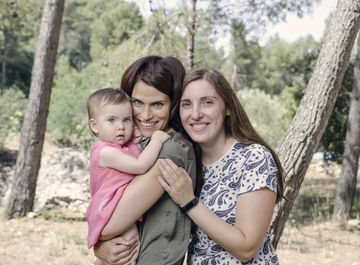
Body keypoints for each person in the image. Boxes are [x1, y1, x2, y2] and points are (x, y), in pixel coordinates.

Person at [156, 67, 285, 264]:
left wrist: (189, 202)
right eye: (186, 104)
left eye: (207, 102)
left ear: (227, 107)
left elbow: (246, 248)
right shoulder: (188, 162)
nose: (196, 114)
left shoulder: (253, 158)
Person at [94, 56, 203, 265]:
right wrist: (102, 249)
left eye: (157, 104)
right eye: (137, 102)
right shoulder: (142, 143)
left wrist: (98, 243)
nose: (145, 115)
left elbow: (106, 225)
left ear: (173, 104)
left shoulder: (170, 149)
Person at [85, 88, 171, 265]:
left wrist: (136, 142)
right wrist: (156, 140)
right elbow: (140, 166)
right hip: (109, 208)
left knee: (127, 245)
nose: (121, 126)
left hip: (118, 205)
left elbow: (134, 157)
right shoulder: (105, 151)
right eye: (111, 120)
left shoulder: (121, 147)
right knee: (127, 246)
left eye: (127, 120)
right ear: (95, 125)